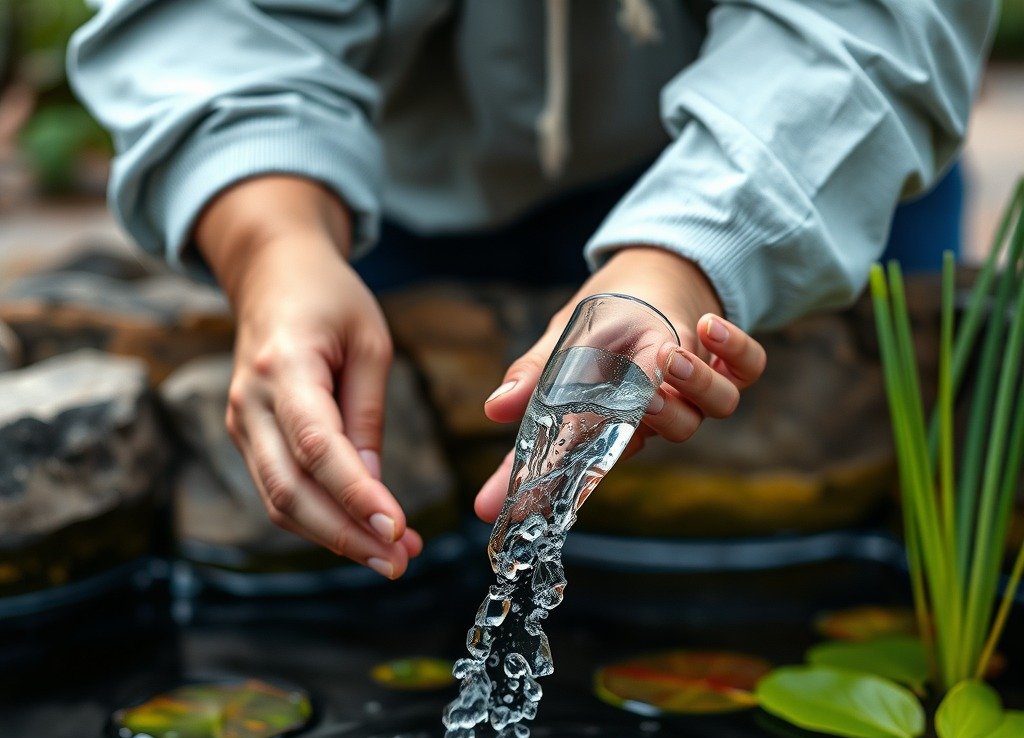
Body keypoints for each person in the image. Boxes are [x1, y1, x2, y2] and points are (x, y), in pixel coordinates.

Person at [69, 1, 995, 579]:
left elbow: (872, 22)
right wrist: (274, 248)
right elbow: (204, 22)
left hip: (805, 163)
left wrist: (689, 254)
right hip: (379, 183)